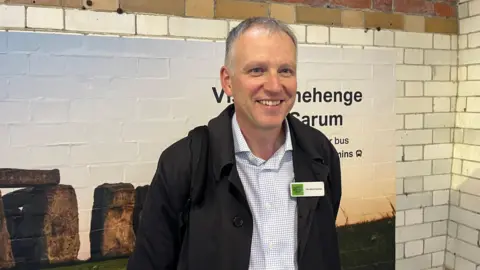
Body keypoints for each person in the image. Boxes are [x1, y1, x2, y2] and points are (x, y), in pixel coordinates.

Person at [127, 17, 342, 270]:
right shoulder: (183, 163)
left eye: (285, 70)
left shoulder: (320, 153)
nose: (274, 86)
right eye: (256, 70)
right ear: (228, 81)